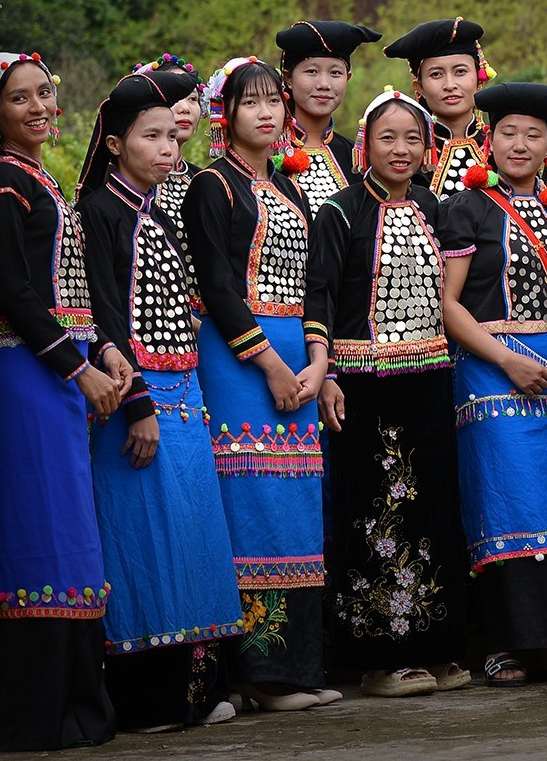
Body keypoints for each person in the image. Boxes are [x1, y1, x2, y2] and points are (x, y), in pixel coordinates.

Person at [76, 68, 244, 733]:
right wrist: (138, 403)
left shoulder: (154, 212)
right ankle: (146, 701)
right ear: (115, 144)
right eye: (151, 137)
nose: (168, 149)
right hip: (135, 402)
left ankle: (192, 694)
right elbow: (103, 316)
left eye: (172, 137)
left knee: (190, 537)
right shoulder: (99, 214)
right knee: (142, 542)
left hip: (184, 396)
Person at [0, 51, 122, 750]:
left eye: (45, 93)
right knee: (40, 539)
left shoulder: (39, 180)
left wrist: (99, 356)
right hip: (31, 379)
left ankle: (72, 710)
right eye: (20, 97)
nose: (39, 107)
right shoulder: (0, 181)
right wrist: (76, 368)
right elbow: (13, 293)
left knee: (69, 539)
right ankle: (37, 717)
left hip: (56, 377)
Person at [439, 81, 547, 687]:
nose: (520, 144)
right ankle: (505, 644)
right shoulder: (467, 208)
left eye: (533, 134)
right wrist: (506, 361)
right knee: (506, 504)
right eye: (508, 133)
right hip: (492, 374)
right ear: (490, 140)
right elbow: (448, 304)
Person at [304, 88, 469, 698]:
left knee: (431, 508)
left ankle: (436, 646)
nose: (401, 150)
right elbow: (317, 296)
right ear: (363, 146)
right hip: (363, 385)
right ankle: (378, 658)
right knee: (374, 511)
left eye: (413, 139)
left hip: (428, 379)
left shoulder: (433, 205)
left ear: (428, 148)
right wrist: (328, 376)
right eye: (386, 138)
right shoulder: (341, 211)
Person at [182, 57, 334, 712]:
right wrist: (269, 363)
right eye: (252, 103)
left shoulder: (292, 188)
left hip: (298, 358)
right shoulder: (211, 186)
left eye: (275, 102)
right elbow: (216, 286)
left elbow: (317, 284)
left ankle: (291, 668)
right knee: (251, 503)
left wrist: (318, 364)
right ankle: (255, 672)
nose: (268, 114)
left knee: (296, 504)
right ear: (227, 114)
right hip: (240, 361)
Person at [384, 17, 494, 196]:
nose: (450, 84)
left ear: (479, 79)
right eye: (436, 74)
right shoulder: (407, 152)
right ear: (420, 88)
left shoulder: (501, 146)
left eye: (460, 72)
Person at [277, 19, 380, 204]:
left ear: (347, 78)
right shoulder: (267, 150)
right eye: (312, 71)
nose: (324, 84)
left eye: (335, 73)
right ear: (288, 78)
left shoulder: (357, 158)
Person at [132, 53, 206, 225]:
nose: (185, 108)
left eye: (193, 99)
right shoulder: (126, 181)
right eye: (176, 98)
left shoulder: (203, 180)